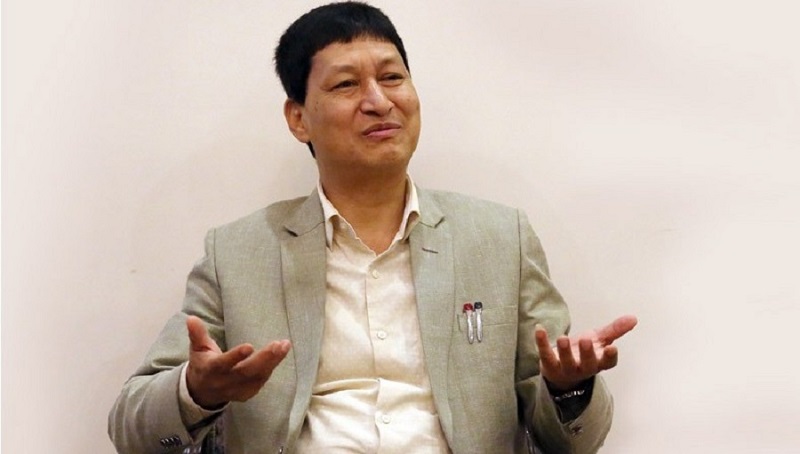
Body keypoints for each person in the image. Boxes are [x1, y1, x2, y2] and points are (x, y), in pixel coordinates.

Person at [108, 2, 637, 453]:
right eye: (346, 84)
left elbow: (573, 441)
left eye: (392, 77)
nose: (379, 101)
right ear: (298, 118)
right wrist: (197, 391)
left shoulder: (500, 238)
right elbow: (130, 428)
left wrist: (570, 389)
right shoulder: (238, 252)